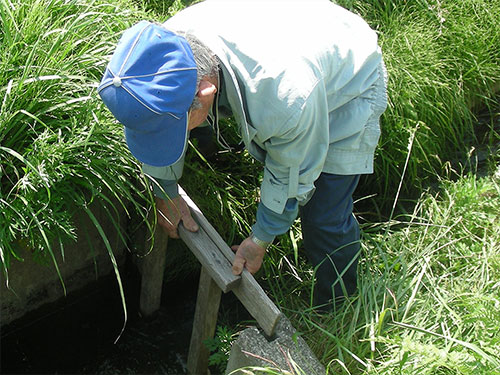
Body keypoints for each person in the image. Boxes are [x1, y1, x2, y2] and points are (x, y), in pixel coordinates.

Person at [98, 0, 387, 310]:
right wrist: (165, 192)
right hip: (288, 32)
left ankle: (337, 307)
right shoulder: (161, 54)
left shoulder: (286, 98)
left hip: (348, 73)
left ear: (205, 93)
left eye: (174, 129)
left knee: (324, 215)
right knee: (196, 124)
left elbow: (291, 174)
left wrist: (261, 238)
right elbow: (156, 117)